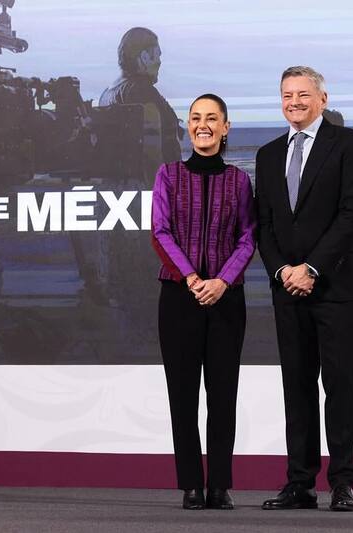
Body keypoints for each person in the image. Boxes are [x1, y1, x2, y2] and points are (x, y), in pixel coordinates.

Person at [255, 66, 353, 512]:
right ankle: (299, 483)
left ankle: (342, 481)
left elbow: (350, 215)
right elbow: (263, 224)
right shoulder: (267, 155)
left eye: (303, 94)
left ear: (322, 98)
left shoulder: (349, 144)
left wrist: (312, 269)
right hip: (287, 288)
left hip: (337, 287)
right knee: (296, 387)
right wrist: (284, 270)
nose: (294, 102)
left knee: (339, 386)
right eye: (287, 94)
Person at [150, 94, 257, 510]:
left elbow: (249, 237)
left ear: (226, 127)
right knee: (182, 394)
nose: (203, 125)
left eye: (212, 118)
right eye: (196, 118)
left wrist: (222, 282)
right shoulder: (168, 174)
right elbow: (160, 232)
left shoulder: (240, 181)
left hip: (227, 301)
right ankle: (191, 484)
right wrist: (193, 278)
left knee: (223, 394)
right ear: (188, 127)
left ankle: (220, 485)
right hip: (178, 297)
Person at [99, 27, 182, 165]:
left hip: (120, 176)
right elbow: (153, 147)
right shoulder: (143, 92)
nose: (160, 62)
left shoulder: (106, 94)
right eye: (158, 55)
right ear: (144, 57)